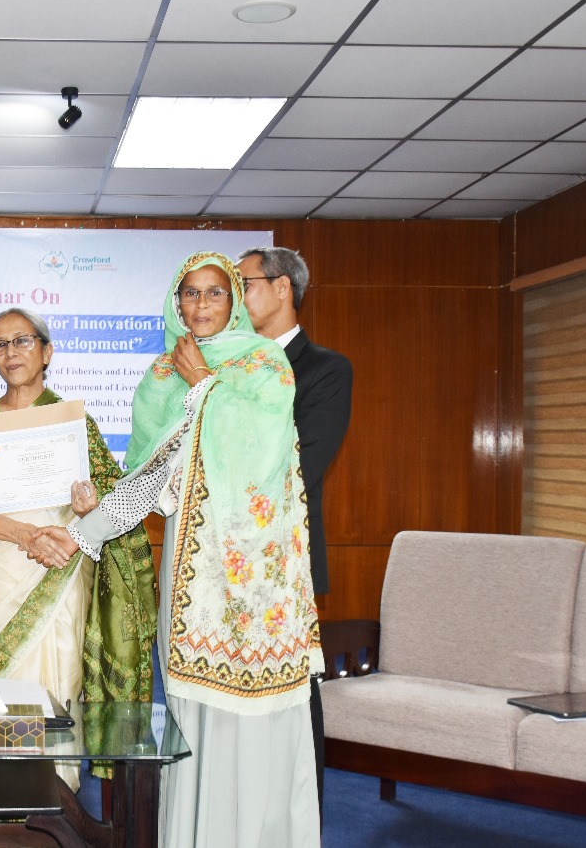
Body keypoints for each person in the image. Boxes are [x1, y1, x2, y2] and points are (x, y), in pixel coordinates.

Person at [35, 253, 322, 847]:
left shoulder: (264, 364)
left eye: (215, 293)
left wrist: (203, 384)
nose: (200, 306)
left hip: (258, 580)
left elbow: (258, 455)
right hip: (193, 575)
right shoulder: (160, 377)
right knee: (194, 718)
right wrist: (84, 528)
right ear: (176, 302)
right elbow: (151, 478)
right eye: (189, 294)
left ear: (234, 301)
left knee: (258, 719)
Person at [0, 308, 156, 788]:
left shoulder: (75, 422)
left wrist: (88, 507)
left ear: (47, 351)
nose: (11, 352)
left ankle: (50, 808)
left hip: (56, 571)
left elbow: (107, 507)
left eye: (22, 341)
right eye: (0, 344)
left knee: (52, 685)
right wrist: (23, 535)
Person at [238, 245, 352, 818]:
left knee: (293, 699)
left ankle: (302, 821)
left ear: (283, 288)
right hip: (224, 566)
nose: (235, 296)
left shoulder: (326, 369)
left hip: (285, 561)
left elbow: (298, 465)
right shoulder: (228, 367)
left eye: (245, 283)